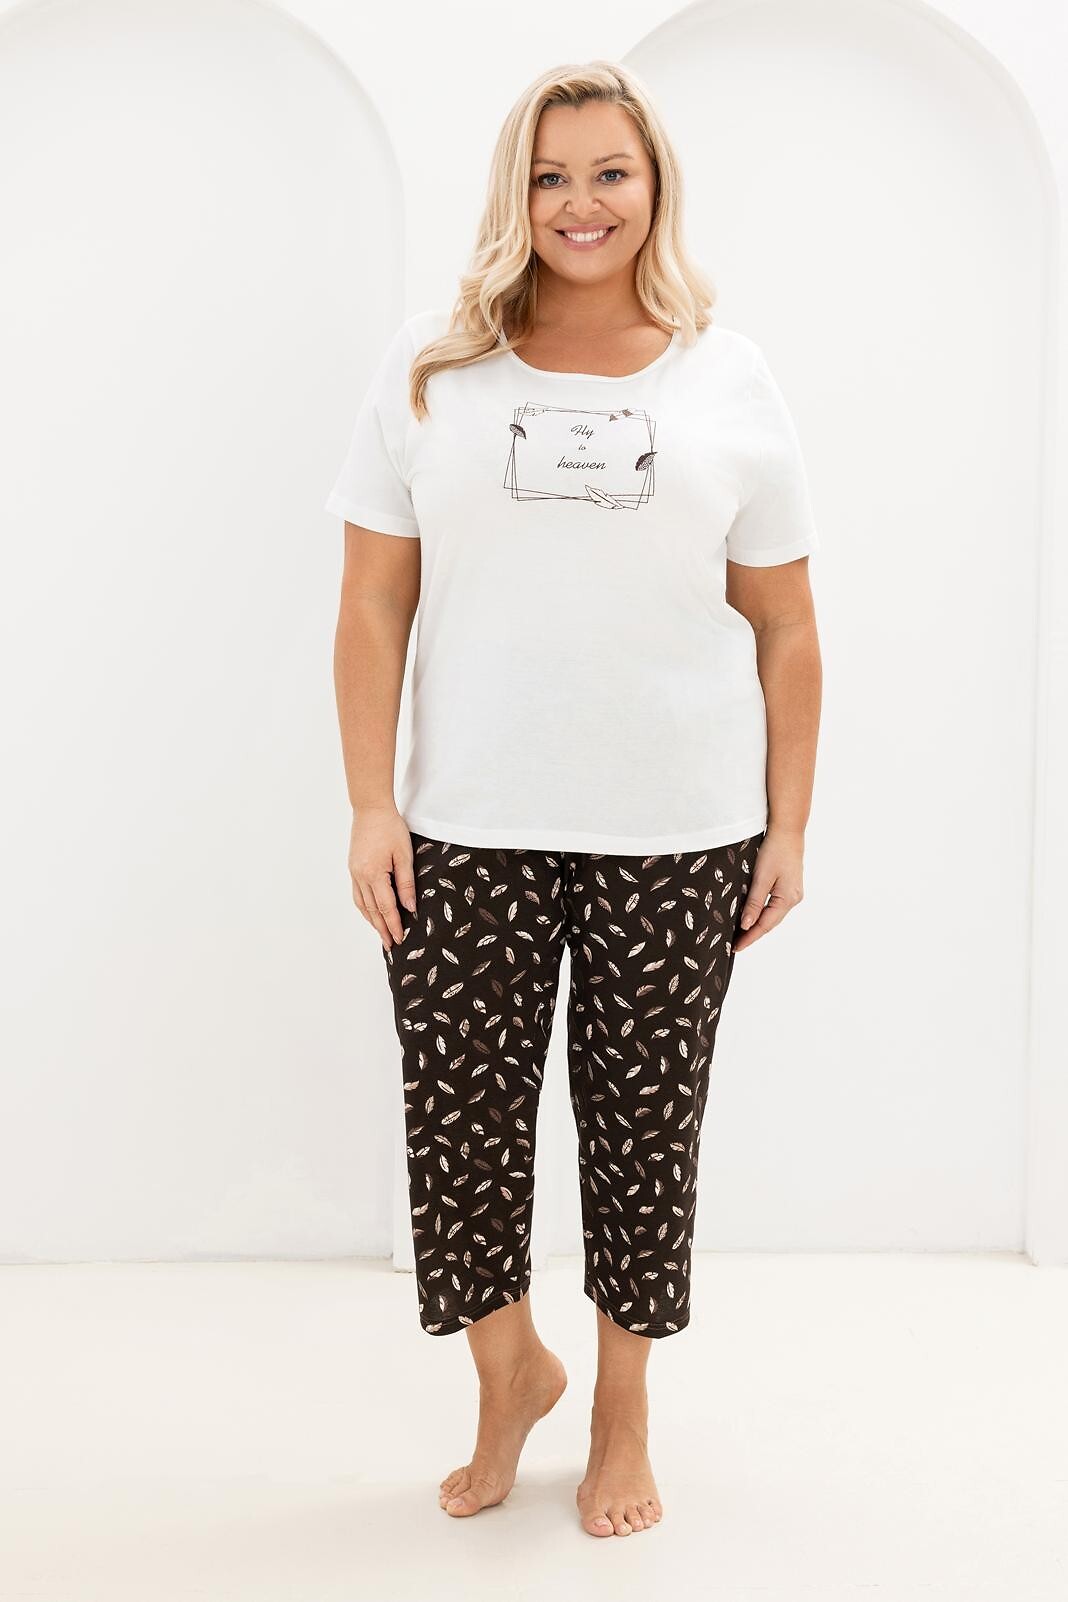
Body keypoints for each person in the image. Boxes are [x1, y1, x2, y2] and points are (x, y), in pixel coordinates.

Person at [324, 60, 822, 1539]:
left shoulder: (727, 377)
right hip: (464, 823)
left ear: (654, 187)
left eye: (610, 172)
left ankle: (622, 1407)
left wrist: (790, 823)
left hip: (678, 831)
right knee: (458, 1126)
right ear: (514, 192)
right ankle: (511, 1374)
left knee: (643, 1136)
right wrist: (370, 804)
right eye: (550, 176)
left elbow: (788, 625)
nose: (580, 203)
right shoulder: (435, 368)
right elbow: (371, 604)